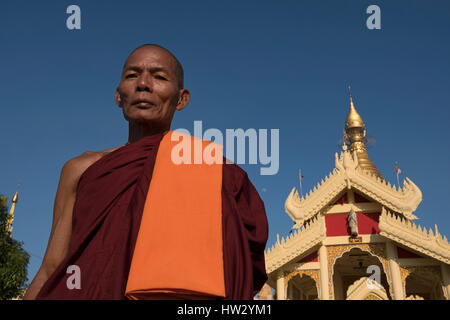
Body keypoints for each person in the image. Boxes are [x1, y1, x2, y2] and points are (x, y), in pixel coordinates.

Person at [23, 44, 269, 300]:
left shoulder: (213, 170)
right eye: (132, 75)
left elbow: (238, 262)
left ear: (181, 99)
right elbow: (51, 267)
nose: (143, 84)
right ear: (119, 96)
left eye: (159, 77)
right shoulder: (81, 168)